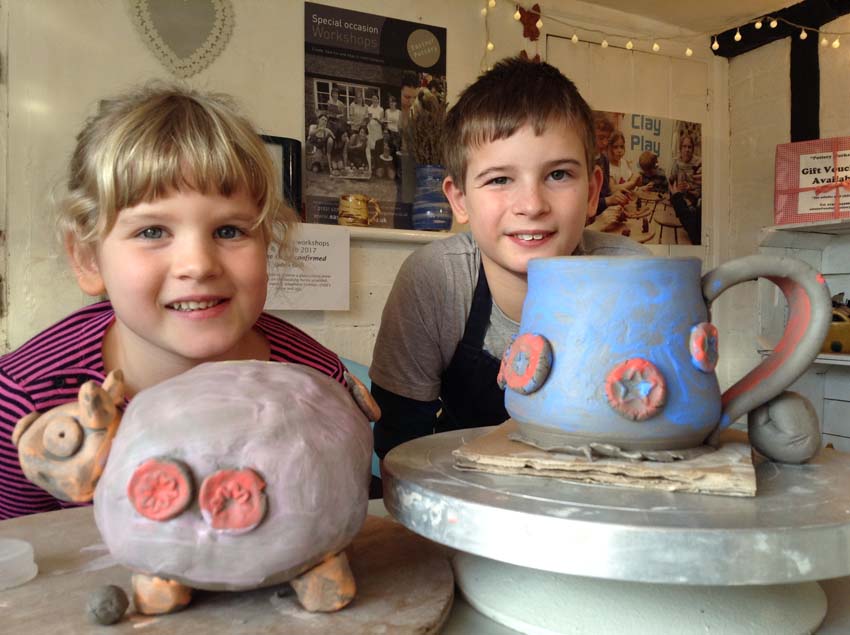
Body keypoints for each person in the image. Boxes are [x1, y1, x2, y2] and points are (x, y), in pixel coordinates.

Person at [0, 84, 346, 520]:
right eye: (152, 232)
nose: (198, 265)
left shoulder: (315, 380)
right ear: (88, 257)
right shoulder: (25, 399)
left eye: (229, 231)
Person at [369, 57, 648, 482]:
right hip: (465, 500)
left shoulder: (633, 278)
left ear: (593, 192)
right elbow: (400, 447)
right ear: (459, 199)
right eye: (499, 179)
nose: (532, 205)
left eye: (557, 174)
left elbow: (660, 438)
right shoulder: (436, 281)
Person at [593, 113, 629, 217]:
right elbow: (584, 204)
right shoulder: (583, 160)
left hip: (602, 216)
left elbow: (605, 192)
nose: (605, 143)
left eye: (607, 138)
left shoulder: (604, 160)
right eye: (601, 137)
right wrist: (608, 200)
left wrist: (617, 194)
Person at [668, 133, 702, 245]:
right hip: (680, 199)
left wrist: (690, 187)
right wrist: (675, 190)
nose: (687, 150)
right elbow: (670, 181)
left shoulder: (699, 163)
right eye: (684, 146)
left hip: (695, 201)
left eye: (689, 147)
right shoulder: (676, 162)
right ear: (680, 148)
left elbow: (702, 188)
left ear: (693, 149)